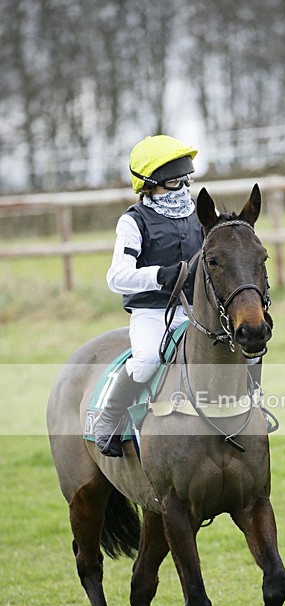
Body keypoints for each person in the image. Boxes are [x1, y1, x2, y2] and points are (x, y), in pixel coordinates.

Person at [94, 135, 204, 456]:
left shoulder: (198, 214)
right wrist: (159, 275)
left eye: (186, 180)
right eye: (174, 182)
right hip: (152, 312)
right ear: (151, 184)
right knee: (147, 361)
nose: (183, 188)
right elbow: (117, 276)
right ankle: (109, 420)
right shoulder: (133, 222)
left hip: (196, 309)